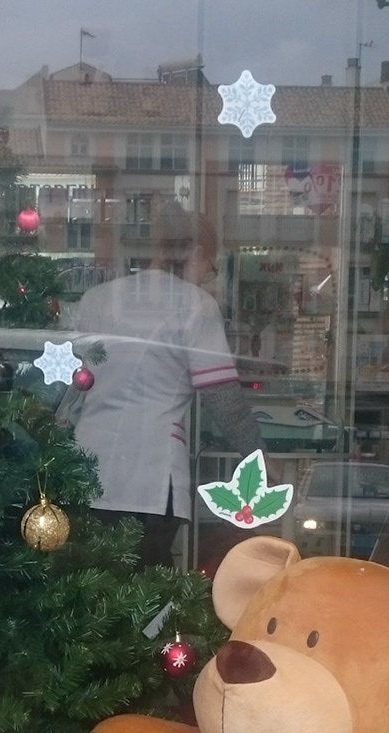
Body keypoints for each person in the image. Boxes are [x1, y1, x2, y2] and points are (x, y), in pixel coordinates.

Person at [71, 202, 263, 565]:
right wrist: (260, 461)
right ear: (197, 252)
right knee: (149, 578)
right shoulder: (196, 306)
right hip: (151, 473)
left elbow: (73, 385)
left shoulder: (96, 299)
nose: (207, 277)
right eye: (210, 267)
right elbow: (224, 401)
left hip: (86, 464)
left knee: (89, 579)